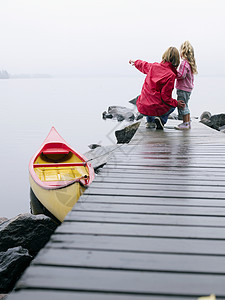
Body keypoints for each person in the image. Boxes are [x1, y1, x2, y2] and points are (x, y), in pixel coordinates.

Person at [129, 47, 185, 130]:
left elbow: (144, 65)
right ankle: (161, 120)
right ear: (176, 61)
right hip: (155, 107)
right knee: (172, 105)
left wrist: (135, 62)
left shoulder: (153, 66)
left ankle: (150, 122)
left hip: (143, 105)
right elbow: (166, 97)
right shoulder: (171, 75)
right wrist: (176, 103)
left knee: (150, 100)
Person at [175, 41, 198, 130]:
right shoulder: (190, 63)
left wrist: (174, 72)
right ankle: (187, 123)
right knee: (186, 105)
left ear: (183, 52)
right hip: (188, 89)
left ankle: (185, 124)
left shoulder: (184, 63)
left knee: (182, 105)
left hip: (183, 88)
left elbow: (181, 75)